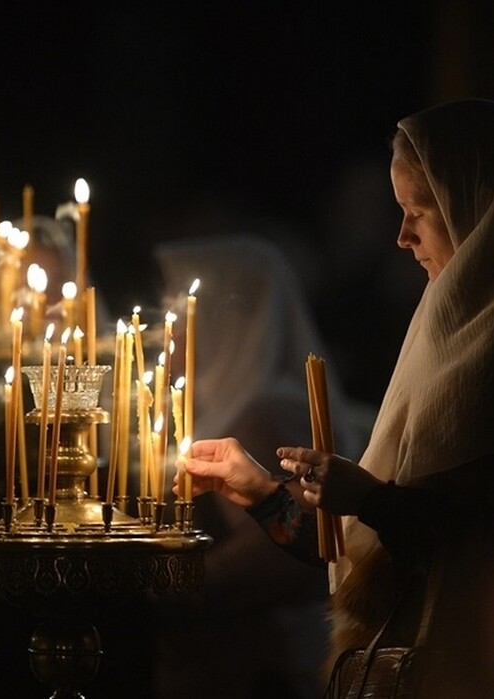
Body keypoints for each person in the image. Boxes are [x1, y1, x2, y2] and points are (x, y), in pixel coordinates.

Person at [179, 98, 494, 698]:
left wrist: (372, 499)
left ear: (484, 210)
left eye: (420, 210)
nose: (401, 235)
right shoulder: (454, 335)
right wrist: (260, 491)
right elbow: (372, 558)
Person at [150, 234, 363, 699]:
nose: (166, 331)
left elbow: (279, 561)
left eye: (179, 312)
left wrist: (160, 585)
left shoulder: (269, 410)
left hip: (266, 670)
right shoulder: (235, 404)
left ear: (227, 318)